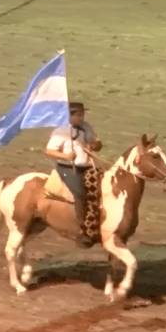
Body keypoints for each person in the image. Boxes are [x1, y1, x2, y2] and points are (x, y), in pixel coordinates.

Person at [45, 102, 102, 246]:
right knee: (80, 193)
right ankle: (80, 230)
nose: (82, 118)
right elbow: (49, 150)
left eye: (82, 114)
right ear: (69, 115)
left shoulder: (87, 127)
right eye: (78, 115)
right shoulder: (61, 131)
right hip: (68, 168)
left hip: (86, 166)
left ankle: (98, 224)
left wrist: (95, 145)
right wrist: (66, 156)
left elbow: (97, 144)